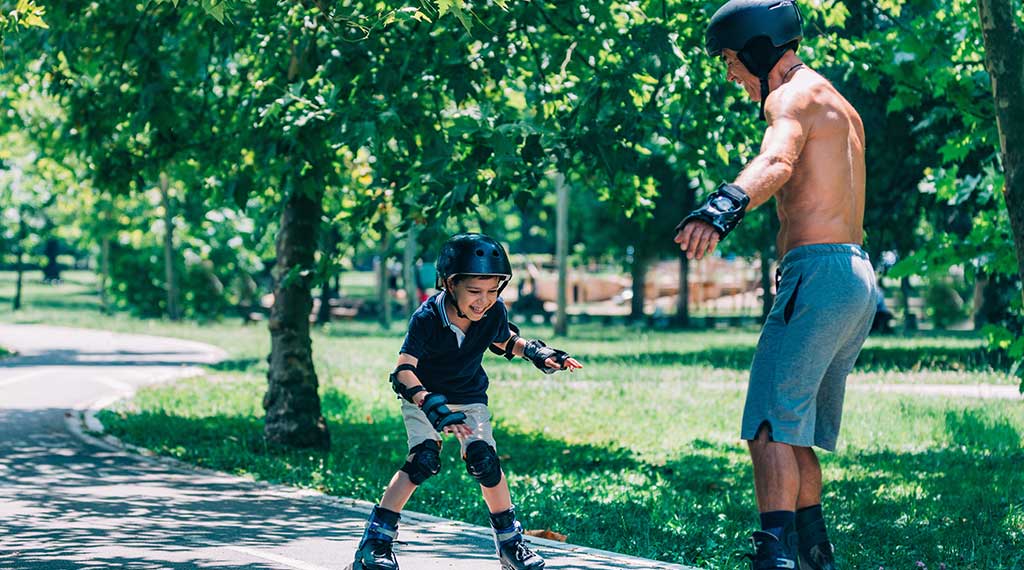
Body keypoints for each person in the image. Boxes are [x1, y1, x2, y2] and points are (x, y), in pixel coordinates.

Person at [673, 1, 877, 568]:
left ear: (759, 52)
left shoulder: (788, 98)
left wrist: (720, 208)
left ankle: (774, 558)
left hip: (817, 275)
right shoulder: (838, 102)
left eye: (733, 61)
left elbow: (778, 160)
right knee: (792, 428)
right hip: (854, 275)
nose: (731, 74)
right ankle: (814, 553)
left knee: (765, 424)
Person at [351, 233, 583, 570]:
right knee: (423, 460)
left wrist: (537, 352)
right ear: (448, 284)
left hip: (470, 398)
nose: (483, 301)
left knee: (484, 461)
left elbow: (505, 341)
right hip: (425, 398)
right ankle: (376, 539)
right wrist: (431, 405)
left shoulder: (492, 312)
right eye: (474, 291)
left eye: (492, 291)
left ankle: (510, 544)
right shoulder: (427, 317)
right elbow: (403, 371)